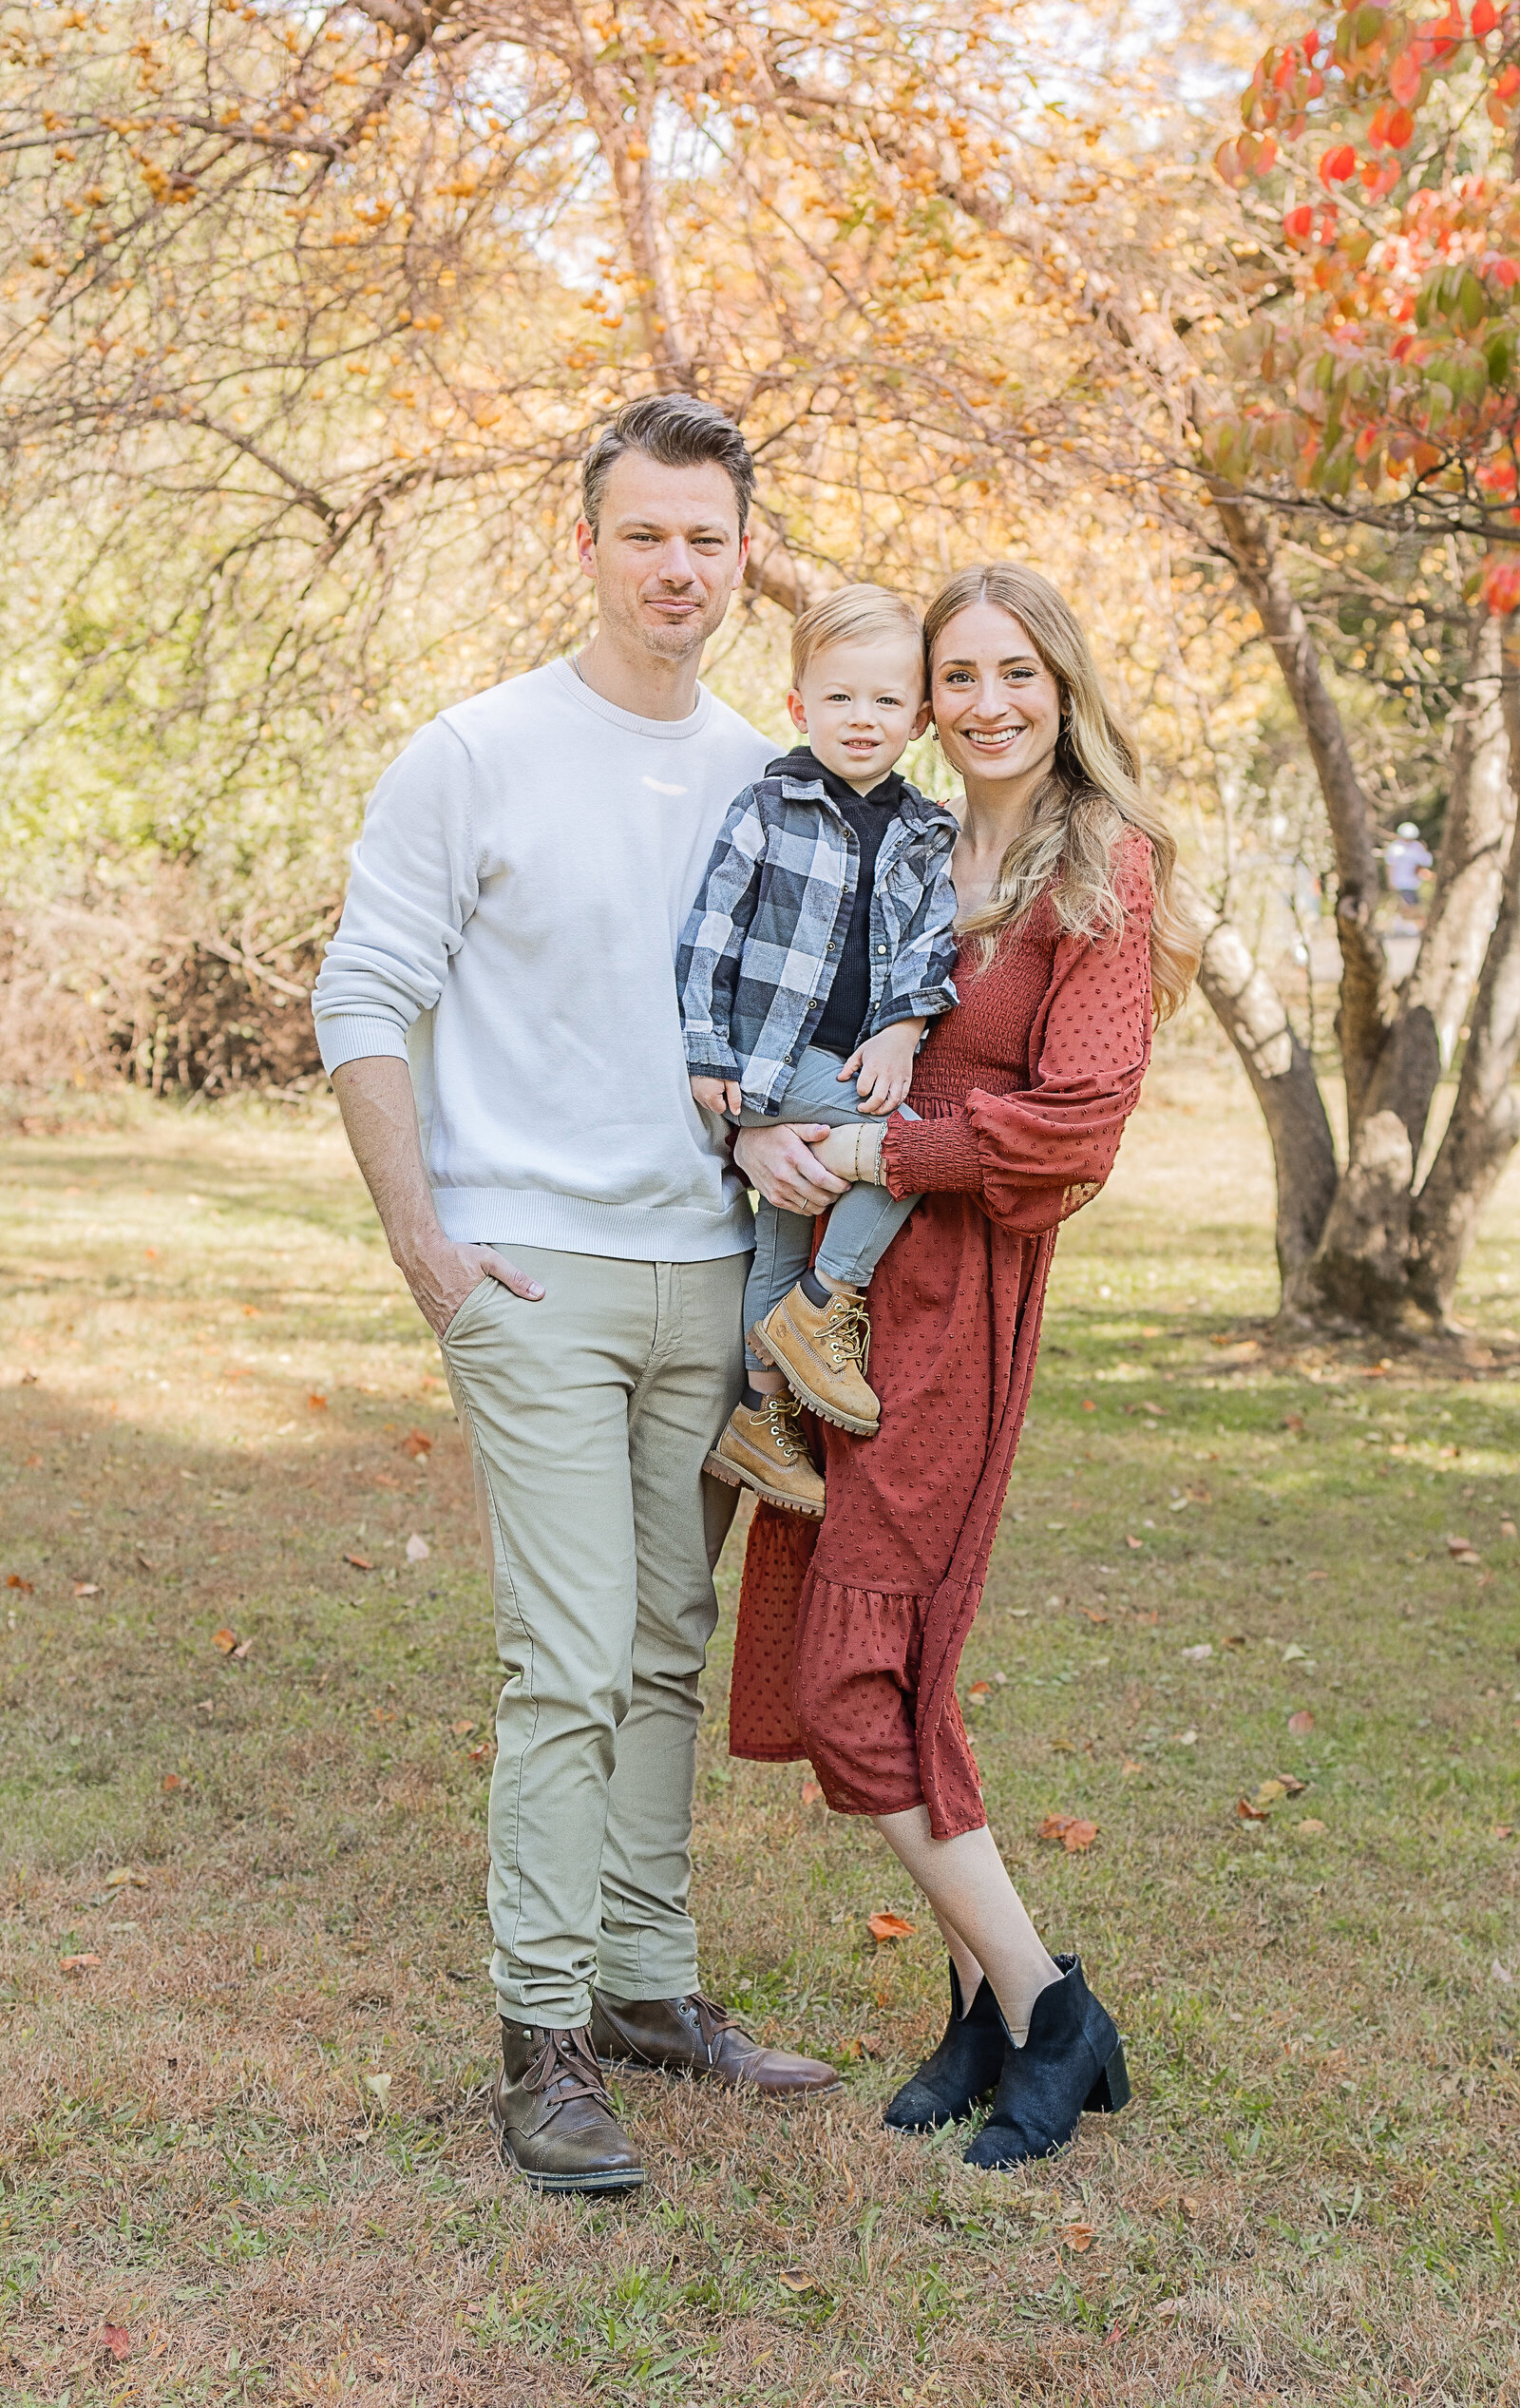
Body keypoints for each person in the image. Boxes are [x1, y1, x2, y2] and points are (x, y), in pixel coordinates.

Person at [311, 394, 840, 2201]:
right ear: (588, 541)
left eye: (709, 536)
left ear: (740, 553)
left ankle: (644, 1984)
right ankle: (537, 2034)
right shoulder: (474, 752)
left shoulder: (776, 769)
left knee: (669, 1642)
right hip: (530, 1269)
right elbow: (361, 995)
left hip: (708, 1269)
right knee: (570, 1655)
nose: (677, 567)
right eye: (645, 533)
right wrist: (426, 1246)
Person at [728, 564, 1199, 2170]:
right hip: (835, 1307)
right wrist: (780, 1129)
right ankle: (985, 2009)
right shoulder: (917, 840)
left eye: (1018, 673)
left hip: (960, 1311)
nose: (987, 702)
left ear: (1064, 686)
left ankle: (1053, 2005)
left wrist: (882, 1141)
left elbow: (1075, 1121)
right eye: (959, 675)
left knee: (863, 1674)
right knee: (873, 1668)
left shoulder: (1104, 869)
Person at [677, 584, 961, 1517]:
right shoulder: (770, 804)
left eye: (885, 701)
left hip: (849, 1057)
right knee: (906, 1141)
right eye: (839, 697)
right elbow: (711, 931)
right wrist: (706, 1049)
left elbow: (932, 939)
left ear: (918, 719)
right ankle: (822, 1305)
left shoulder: (926, 831)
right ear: (799, 704)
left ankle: (759, 1414)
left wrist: (904, 1023)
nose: (862, 718)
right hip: (766, 1061)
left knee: (784, 1221)